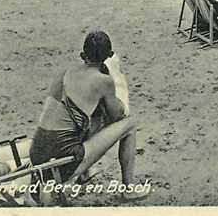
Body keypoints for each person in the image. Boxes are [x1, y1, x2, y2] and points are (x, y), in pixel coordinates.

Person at [30, 32, 147, 203]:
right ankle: (128, 189)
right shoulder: (103, 81)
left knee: (82, 117)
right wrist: (115, 85)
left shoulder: (66, 71)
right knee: (129, 125)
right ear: (109, 56)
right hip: (62, 163)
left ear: (82, 55)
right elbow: (117, 116)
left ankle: (85, 173)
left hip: (37, 155)